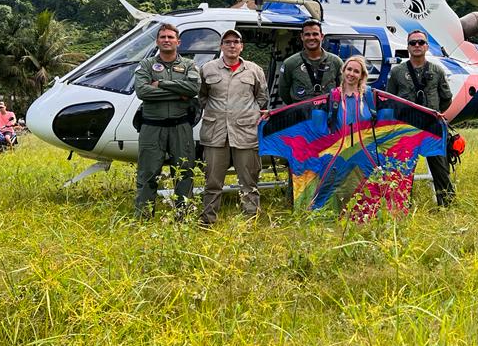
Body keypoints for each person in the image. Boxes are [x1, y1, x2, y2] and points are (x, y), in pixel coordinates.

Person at [197, 29, 268, 226]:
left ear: (242, 46)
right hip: (215, 133)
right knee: (212, 182)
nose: (232, 45)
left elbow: (261, 98)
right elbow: (202, 96)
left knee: (249, 182)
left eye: (236, 41)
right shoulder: (208, 69)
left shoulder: (254, 70)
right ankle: (208, 221)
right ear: (221, 46)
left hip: (245, 134)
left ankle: (250, 221)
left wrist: (246, 114)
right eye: (227, 42)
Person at [133, 23, 200, 220]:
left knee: (184, 173)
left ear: (178, 41)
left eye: (171, 37)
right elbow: (142, 91)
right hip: (152, 127)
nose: (167, 40)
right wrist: (177, 93)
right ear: (157, 41)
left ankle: (183, 217)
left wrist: (161, 84)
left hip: (181, 127)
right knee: (147, 174)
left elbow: (193, 89)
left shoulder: (189, 65)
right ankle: (144, 218)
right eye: (163, 37)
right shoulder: (145, 65)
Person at [385, 30, 455, 207]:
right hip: (406, 126)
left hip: (431, 126)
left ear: (427, 46)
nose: (417, 46)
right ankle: (400, 206)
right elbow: (389, 98)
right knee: (403, 168)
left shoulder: (436, 70)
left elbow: (446, 98)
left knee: (440, 168)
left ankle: (447, 206)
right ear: (408, 47)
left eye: (421, 42)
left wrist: (435, 112)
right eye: (413, 43)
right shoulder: (398, 72)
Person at [277, 19, 343, 105]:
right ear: (302, 37)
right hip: (301, 116)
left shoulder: (336, 62)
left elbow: (342, 89)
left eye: (315, 34)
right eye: (307, 34)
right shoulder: (290, 63)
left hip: (328, 115)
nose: (311, 38)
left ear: (322, 36)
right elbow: (284, 93)